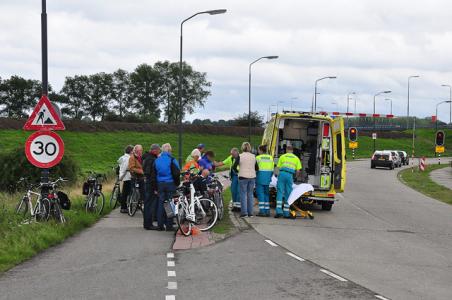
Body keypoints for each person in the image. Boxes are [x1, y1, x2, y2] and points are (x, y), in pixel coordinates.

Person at [154, 143, 180, 231]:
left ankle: (160, 225)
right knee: (170, 204)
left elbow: (155, 172)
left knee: (161, 204)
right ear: (169, 151)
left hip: (160, 184)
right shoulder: (172, 160)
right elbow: (177, 171)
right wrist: (177, 183)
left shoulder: (157, 160)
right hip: (170, 184)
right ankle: (169, 225)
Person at [275, 144, 302, 218]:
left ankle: (278, 211)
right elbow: (298, 170)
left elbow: (277, 167)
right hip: (290, 175)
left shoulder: (282, 156)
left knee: (280, 192)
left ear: (286, 150)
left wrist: (276, 176)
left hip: (282, 174)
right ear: (292, 151)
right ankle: (286, 213)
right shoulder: (296, 158)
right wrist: (295, 177)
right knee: (288, 193)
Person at [232, 142, 258, 218]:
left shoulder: (240, 156)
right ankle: (250, 213)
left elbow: (234, 167)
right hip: (252, 177)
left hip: (243, 177)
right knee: (250, 194)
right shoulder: (254, 156)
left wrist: (238, 172)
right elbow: (257, 168)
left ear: (242, 148)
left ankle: (244, 213)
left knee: (243, 195)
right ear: (249, 148)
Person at [142, 144, 160, 230]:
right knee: (149, 204)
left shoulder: (146, 158)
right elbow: (151, 174)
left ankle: (147, 223)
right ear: (154, 150)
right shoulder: (152, 159)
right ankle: (148, 224)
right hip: (150, 184)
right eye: (158, 150)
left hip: (148, 183)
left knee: (147, 203)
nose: (159, 152)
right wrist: (155, 188)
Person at [256, 145, 274, 217]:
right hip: (267, 178)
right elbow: (272, 169)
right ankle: (267, 211)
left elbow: (255, 169)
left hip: (260, 177)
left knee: (261, 194)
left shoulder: (257, 158)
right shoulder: (270, 157)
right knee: (266, 194)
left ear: (260, 150)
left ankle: (262, 211)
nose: (258, 151)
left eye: (258, 150)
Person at [128, 145, 145, 210]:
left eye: (141, 150)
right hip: (135, 177)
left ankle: (141, 203)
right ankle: (131, 204)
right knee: (133, 191)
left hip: (141, 178)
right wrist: (141, 171)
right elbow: (131, 168)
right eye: (140, 150)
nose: (141, 151)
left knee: (143, 192)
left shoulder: (141, 157)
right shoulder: (132, 158)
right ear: (136, 151)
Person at [117, 145, 133, 213]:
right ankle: (124, 207)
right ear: (131, 151)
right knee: (127, 193)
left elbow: (119, 164)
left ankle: (123, 207)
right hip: (128, 176)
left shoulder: (122, 157)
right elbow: (127, 167)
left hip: (122, 176)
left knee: (124, 192)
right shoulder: (129, 158)